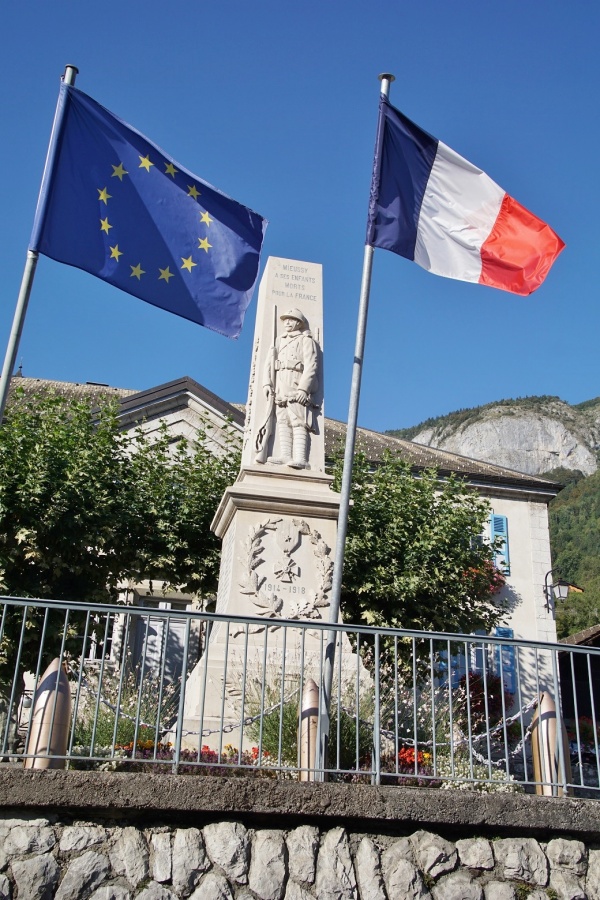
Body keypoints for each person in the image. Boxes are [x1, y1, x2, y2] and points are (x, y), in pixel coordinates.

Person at [261, 308, 319, 469]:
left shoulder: (306, 340)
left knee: (298, 421)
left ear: (298, 323)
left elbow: (311, 366)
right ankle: (285, 455)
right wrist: (267, 383)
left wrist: (303, 389)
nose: (287, 322)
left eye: (291, 320)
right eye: (285, 319)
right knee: (283, 420)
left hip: (296, 383)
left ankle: (301, 458)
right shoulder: (280, 340)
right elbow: (269, 363)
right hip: (280, 384)